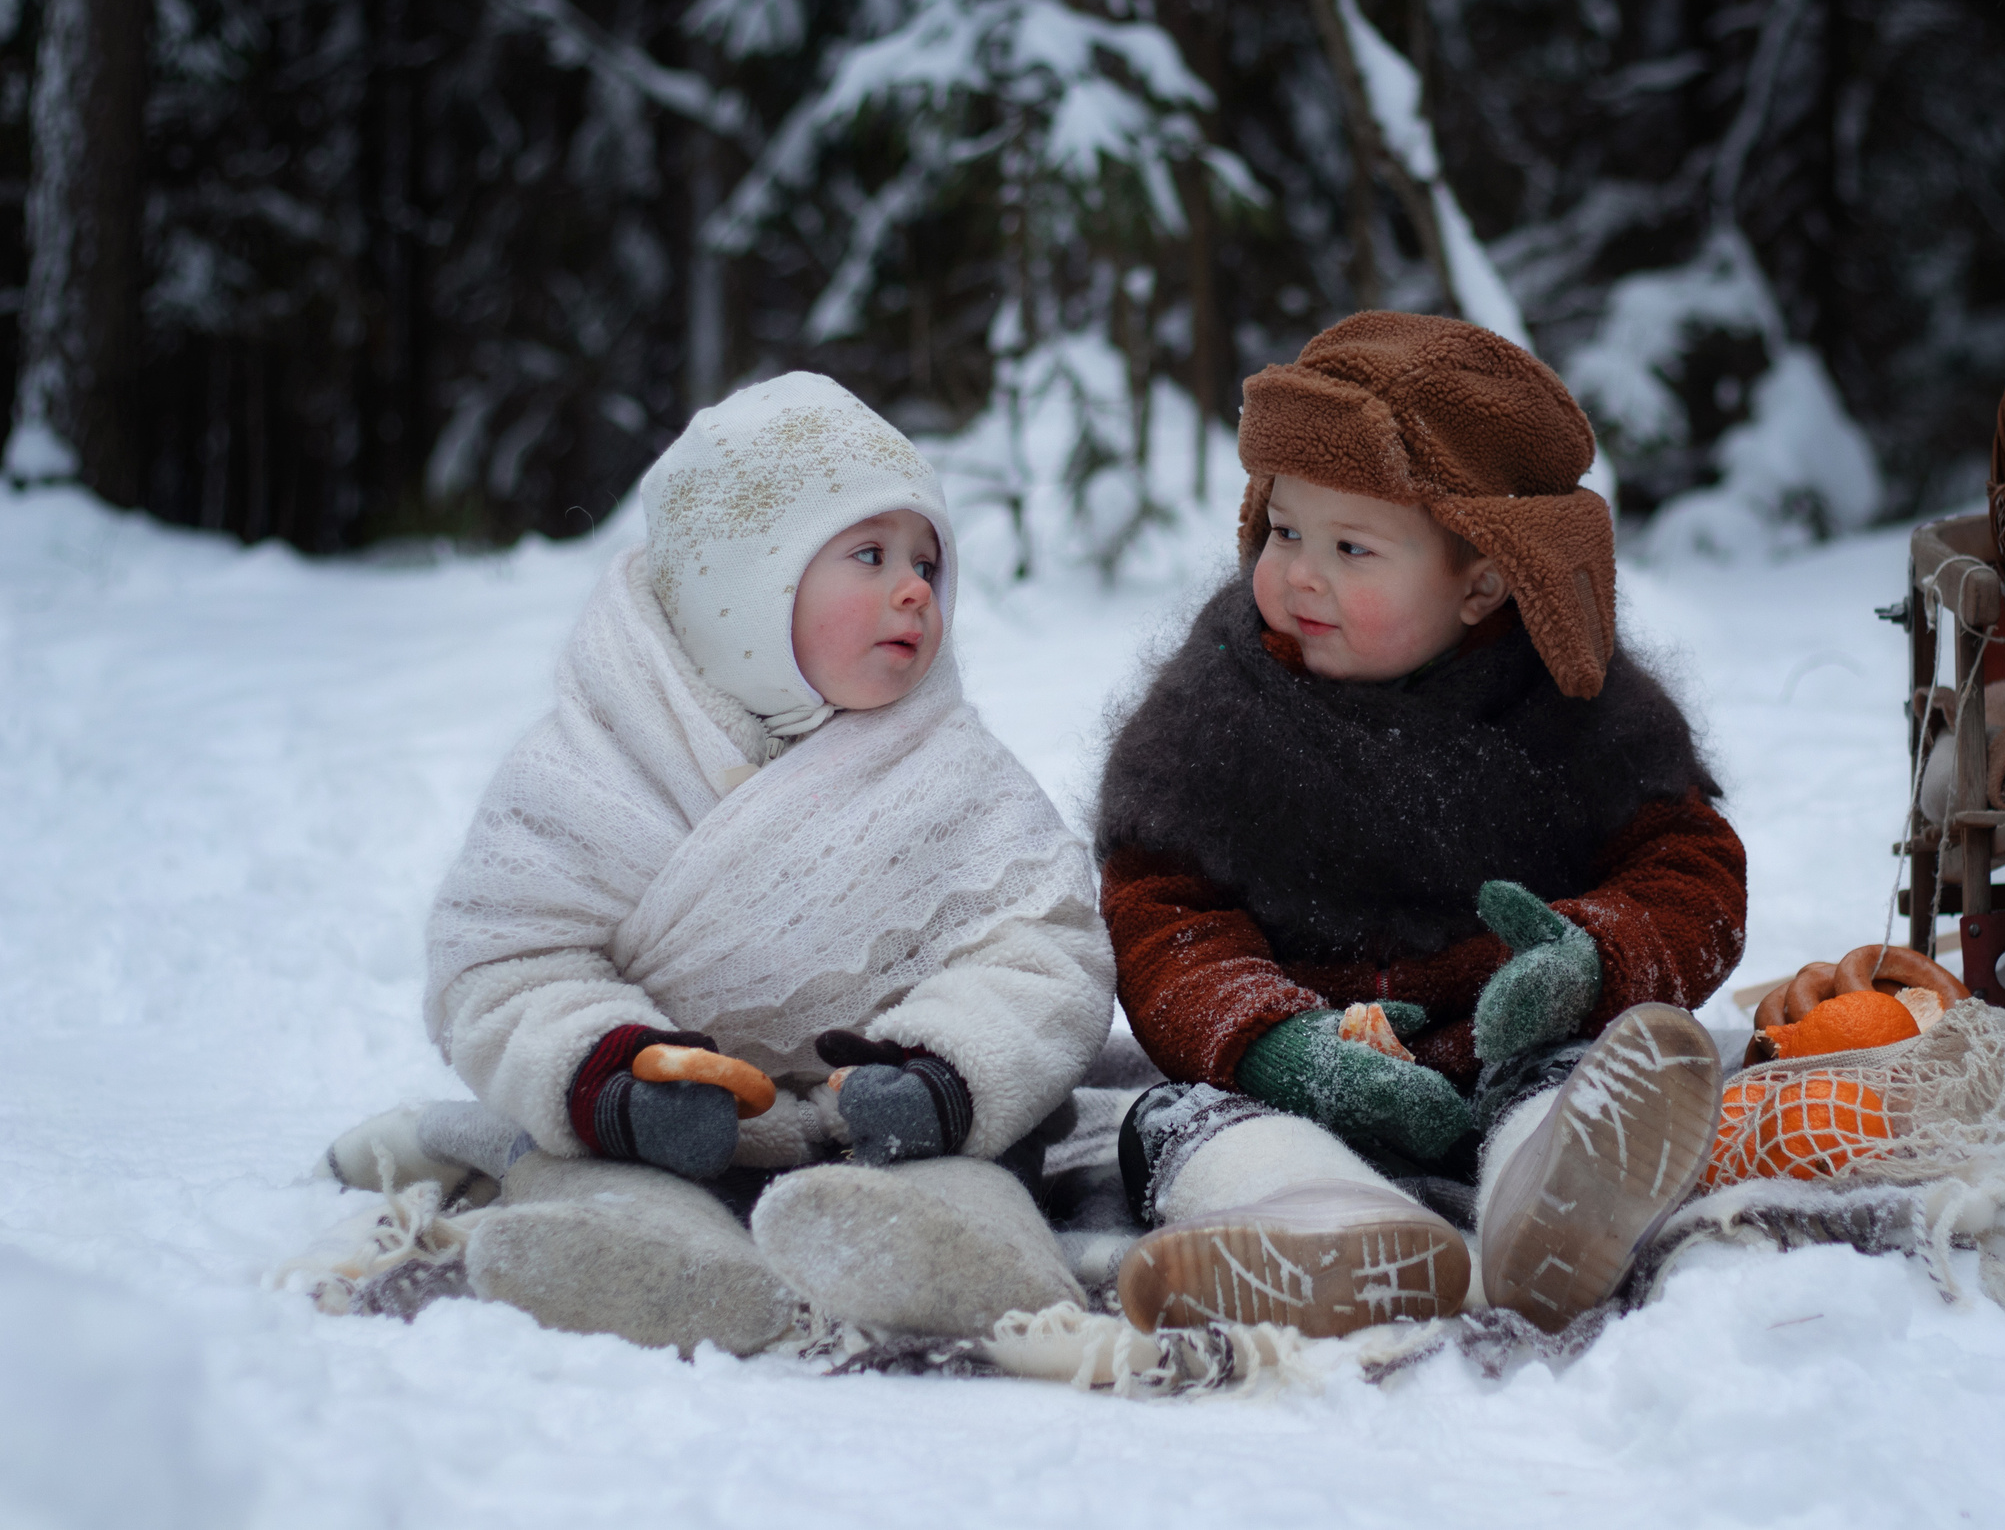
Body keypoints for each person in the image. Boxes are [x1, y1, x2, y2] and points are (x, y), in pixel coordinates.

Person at [329, 372, 1112, 1355]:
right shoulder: (590, 764)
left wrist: (943, 1069)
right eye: (868, 554)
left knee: (964, 1190)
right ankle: (651, 1268)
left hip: (883, 1128)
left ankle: (947, 1263)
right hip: (653, 1126)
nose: (913, 588)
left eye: (926, 560)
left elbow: (1045, 948)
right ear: (741, 585)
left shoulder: (953, 773)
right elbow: (501, 961)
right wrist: (611, 1073)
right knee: (596, 1186)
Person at [1095, 312, 1748, 1336]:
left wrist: (1590, 962)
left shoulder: (1578, 720)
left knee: (1575, 1083)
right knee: (1180, 1118)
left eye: (1352, 547)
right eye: (1283, 530)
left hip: (1511, 1051)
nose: (1299, 572)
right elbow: (1161, 910)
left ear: (1486, 580)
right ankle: (1316, 1228)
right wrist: (1269, 1043)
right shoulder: (1218, 712)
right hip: (1300, 1068)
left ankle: (1554, 1210)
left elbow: (1688, 878)